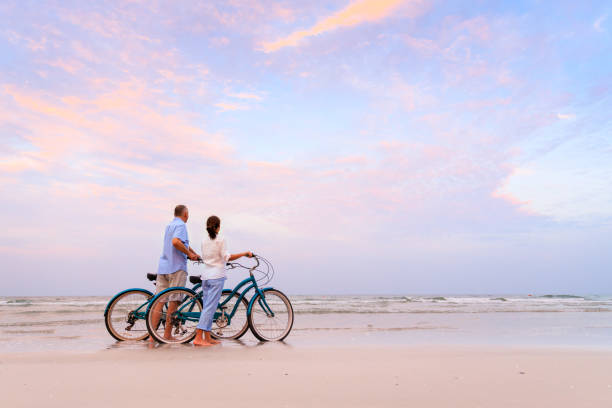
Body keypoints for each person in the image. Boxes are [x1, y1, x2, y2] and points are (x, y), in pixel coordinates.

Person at [193, 215, 252, 347]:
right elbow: (227, 257)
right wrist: (243, 254)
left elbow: (207, 257)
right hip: (217, 277)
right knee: (209, 308)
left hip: (206, 277)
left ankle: (207, 337)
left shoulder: (204, 240)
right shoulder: (221, 239)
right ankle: (198, 337)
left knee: (208, 307)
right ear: (218, 227)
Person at [150, 205, 200, 342]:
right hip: (176, 267)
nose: (188, 216)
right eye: (188, 214)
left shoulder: (169, 226)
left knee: (159, 302)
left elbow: (181, 243)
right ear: (185, 214)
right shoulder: (182, 226)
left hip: (163, 267)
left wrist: (193, 254)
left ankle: (152, 336)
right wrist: (189, 254)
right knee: (174, 302)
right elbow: (176, 242)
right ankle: (167, 335)